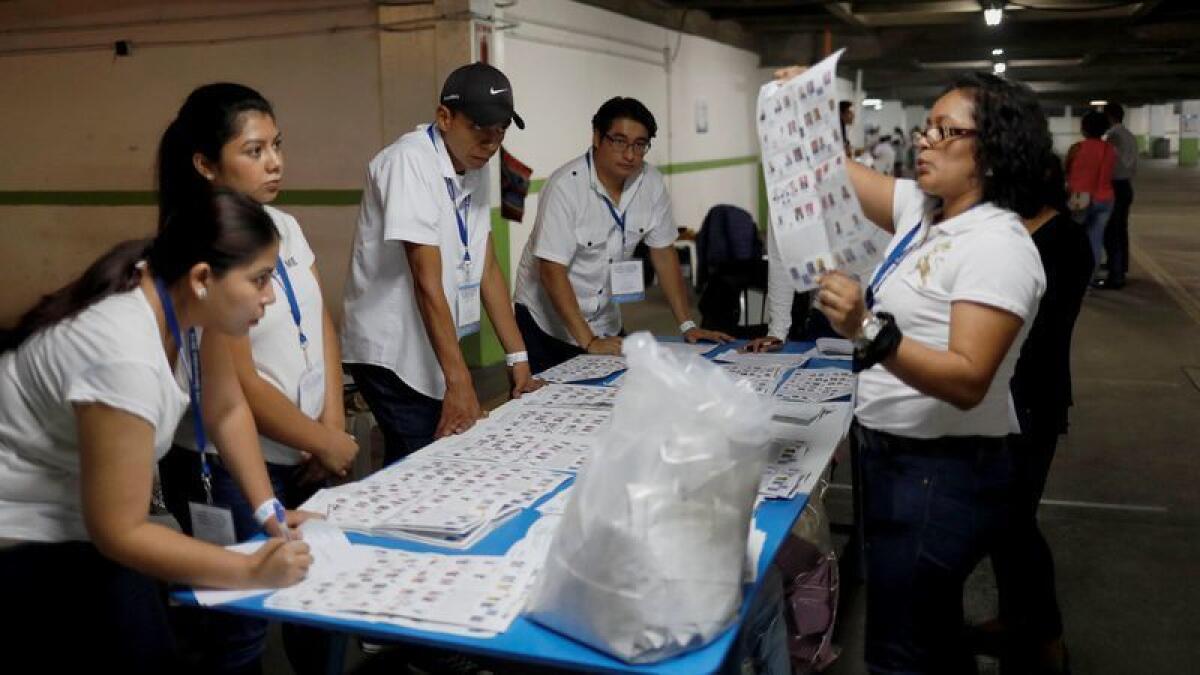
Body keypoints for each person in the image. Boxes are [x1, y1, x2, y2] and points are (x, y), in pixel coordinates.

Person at [779, 66, 1049, 673]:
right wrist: (805, 112)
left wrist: (866, 329)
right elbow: (835, 177)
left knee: (903, 648)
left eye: (944, 130)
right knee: (921, 628)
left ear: (992, 150)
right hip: (895, 457)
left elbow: (967, 377)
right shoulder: (926, 214)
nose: (923, 140)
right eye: (926, 128)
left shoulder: (996, 244)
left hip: (941, 470)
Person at [0, 190, 312, 673]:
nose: (270, 295)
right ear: (204, 277)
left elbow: (225, 408)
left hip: (79, 515)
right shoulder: (123, 352)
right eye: (260, 280)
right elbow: (120, 532)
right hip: (21, 530)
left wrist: (266, 509)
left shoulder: (186, 302)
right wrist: (250, 569)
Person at [155, 83, 354, 675]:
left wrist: (331, 426)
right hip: (224, 466)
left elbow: (315, 322)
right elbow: (233, 393)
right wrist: (320, 444)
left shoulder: (280, 227)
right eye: (255, 149)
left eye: (277, 146)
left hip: (298, 447)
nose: (275, 162)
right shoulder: (198, 256)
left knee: (316, 598)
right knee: (238, 622)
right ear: (205, 164)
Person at [342, 62, 539, 465]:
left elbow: (486, 266)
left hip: (430, 344)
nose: (490, 144)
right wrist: (460, 381)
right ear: (444, 117)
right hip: (390, 350)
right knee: (427, 461)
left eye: (500, 133)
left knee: (438, 454)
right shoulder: (408, 162)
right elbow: (426, 280)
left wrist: (517, 358)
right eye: (481, 131)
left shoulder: (473, 162)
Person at [512, 97, 731, 373]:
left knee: (620, 397)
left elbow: (663, 252)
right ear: (596, 137)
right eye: (619, 141)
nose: (630, 155)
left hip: (604, 319)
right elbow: (551, 270)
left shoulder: (650, 183)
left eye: (640, 145)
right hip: (546, 322)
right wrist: (587, 341)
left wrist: (687, 324)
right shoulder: (565, 187)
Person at [979, 152, 1090, 674]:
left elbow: (1034, 328)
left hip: (1034, 396)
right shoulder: (1010, 233)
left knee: (1015, 522)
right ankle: (1012, 618)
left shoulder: (1064, 243)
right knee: (1001, 521)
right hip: (997, 394)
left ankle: (1047, 636)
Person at [1065, 109, 1116, 281]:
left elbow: (1068, 170)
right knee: (1096, 239)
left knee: (1076, 240)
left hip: (1080, 197)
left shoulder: (1077, 148)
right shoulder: (1110, 149)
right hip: (1106, 199)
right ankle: (1089, 280)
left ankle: (1076, 277)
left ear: (1084, 128)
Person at [1097, 102, 1137, 289]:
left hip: (1115, 185)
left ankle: (1116, 274)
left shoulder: (1112, 135)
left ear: (1109, 116)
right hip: (1126, 185)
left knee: (1112, 231)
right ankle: (1120, 266)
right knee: (1121, 229)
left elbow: (1107, 160)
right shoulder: (1129, 135)